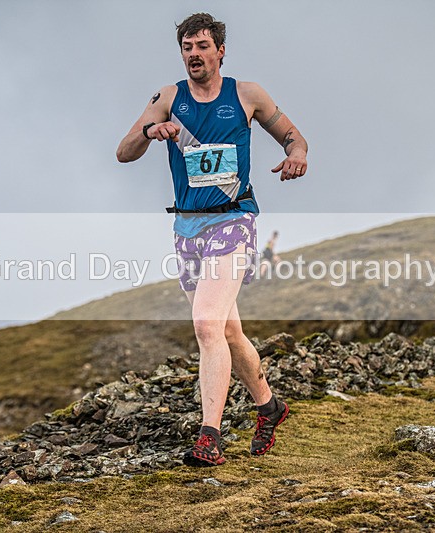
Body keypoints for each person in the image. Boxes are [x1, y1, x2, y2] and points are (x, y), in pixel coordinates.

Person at [116, 13, 307, 466]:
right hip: (186, 229)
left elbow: (293, 138)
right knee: (227, 330)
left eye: (203, 46)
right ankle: (269, 406)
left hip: (234, 220)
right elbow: (123, 151)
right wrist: (150, 131)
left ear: (221, 50)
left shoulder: (247, 95)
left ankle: (209, 437)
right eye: (187, 48)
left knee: (205, 324)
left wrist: (297, 155)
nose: (194, 55)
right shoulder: (167, 98)